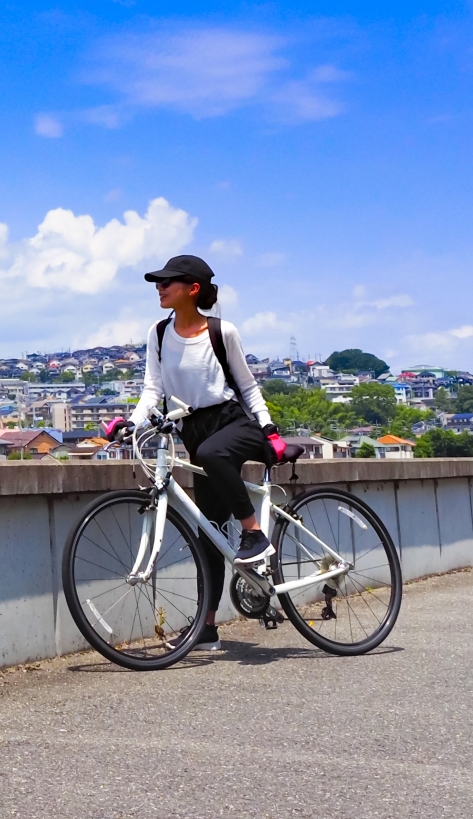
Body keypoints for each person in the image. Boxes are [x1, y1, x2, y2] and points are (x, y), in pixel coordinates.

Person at [104, 253, 285, 649]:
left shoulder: (222, 332)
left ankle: (255, 535)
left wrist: (269, 429)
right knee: (210, 534)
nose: (160, 287)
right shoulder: (158, 332)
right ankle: (207, 626)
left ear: (193, 289)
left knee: (217, 456)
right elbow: (153, 388)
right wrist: (133, 423)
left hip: (233, 424)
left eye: (169, 282)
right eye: (158, 282)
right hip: (192, 431)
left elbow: (248, 385)